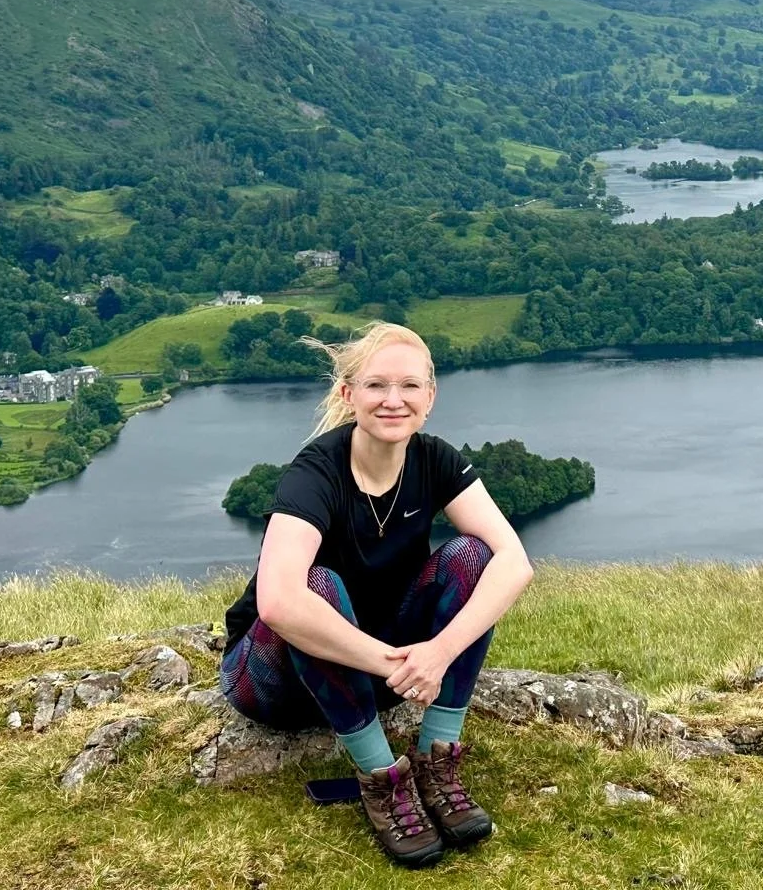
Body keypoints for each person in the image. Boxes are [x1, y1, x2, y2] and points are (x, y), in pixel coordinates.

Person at [219, 322, 534, 868]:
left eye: (410, 386)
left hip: (378, 677)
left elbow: (514, 562)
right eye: (376, 385)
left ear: (430, 398)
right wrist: (400, 665)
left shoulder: (435, 460)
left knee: (472, 556)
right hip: (273, 681)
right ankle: (383, 780)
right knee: (315, 586)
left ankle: (436, 760)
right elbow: (278, 602)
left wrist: (438, 653)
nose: (394, 400)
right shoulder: (315, 472)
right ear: (349, 395)